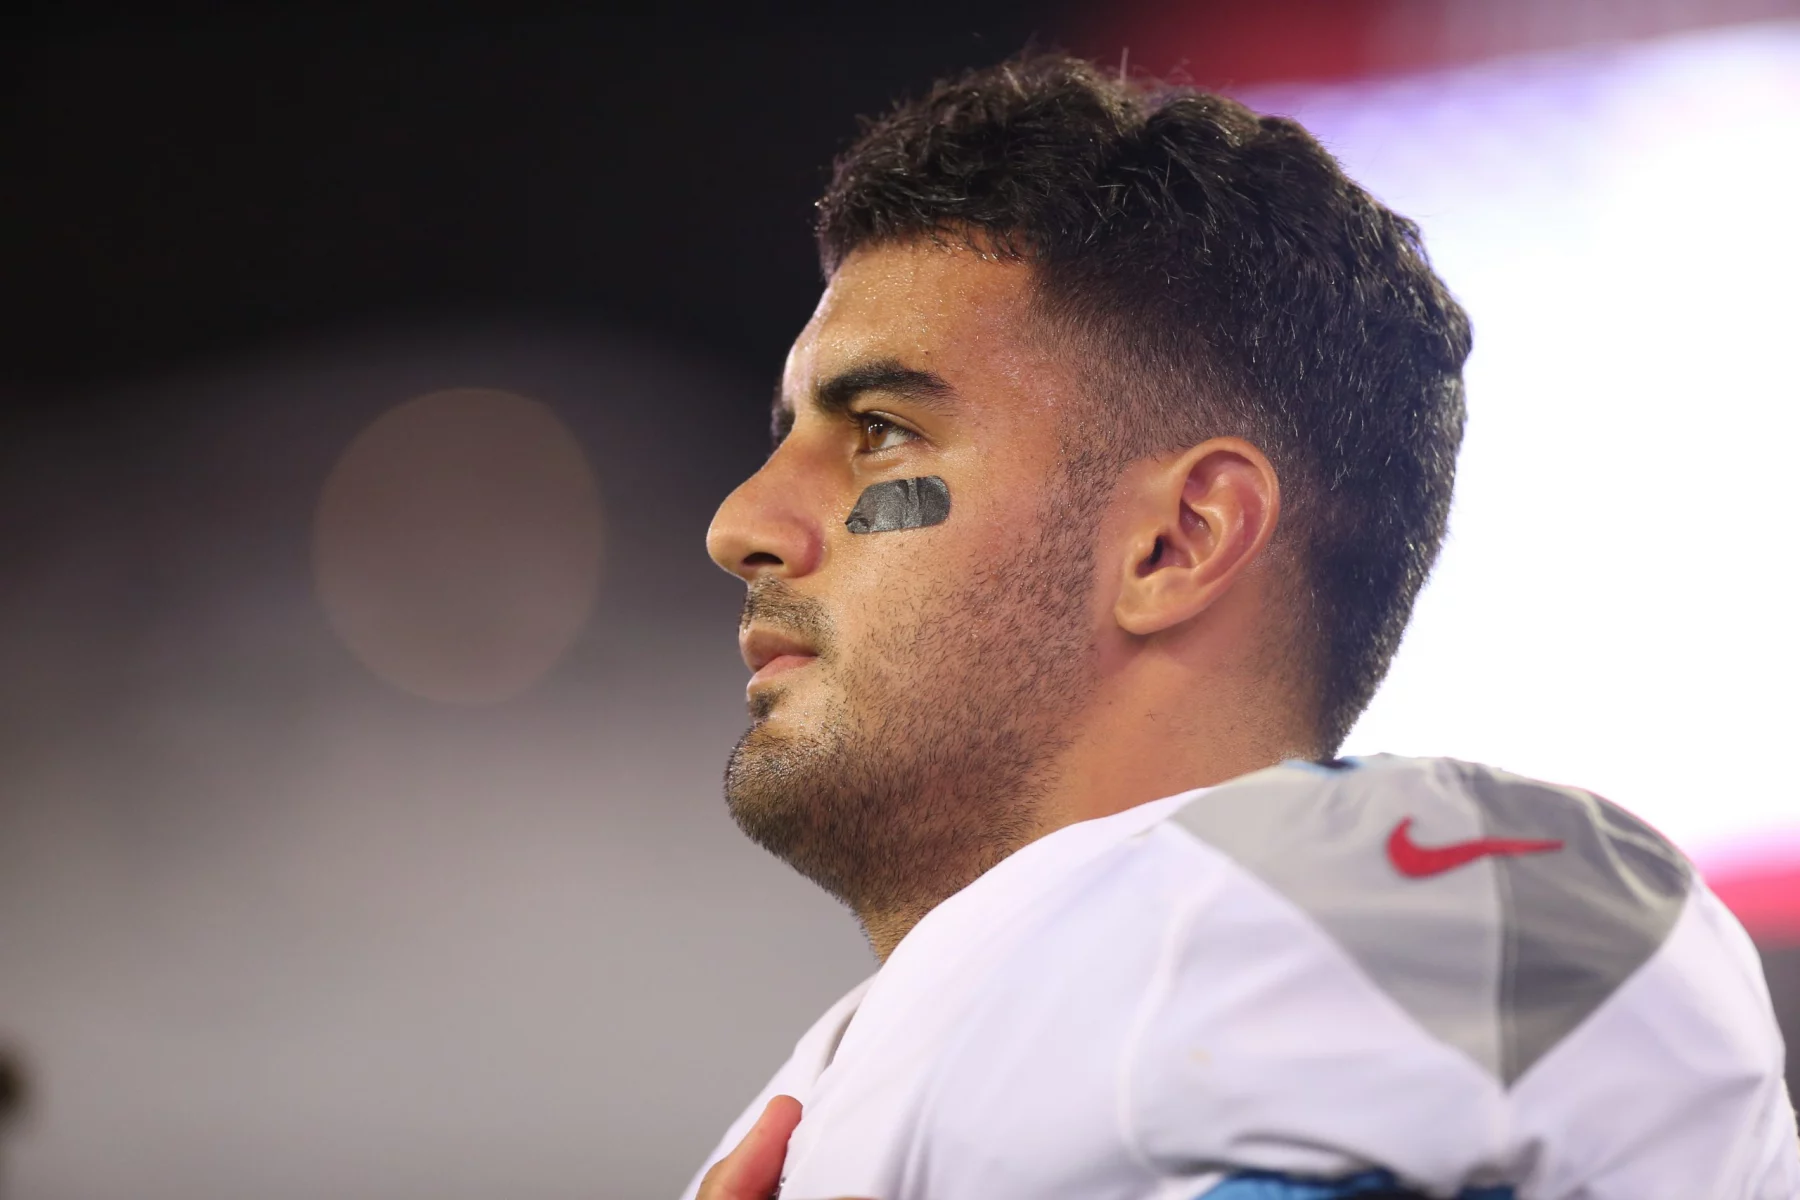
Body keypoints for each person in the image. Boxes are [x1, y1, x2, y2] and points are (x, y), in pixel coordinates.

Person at [683, 54, 1800, 1200]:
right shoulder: (846, 1075)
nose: (742, 523)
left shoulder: (1446, 910)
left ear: (1179, 541)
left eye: (880, 429)